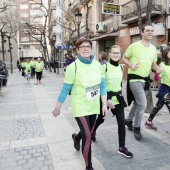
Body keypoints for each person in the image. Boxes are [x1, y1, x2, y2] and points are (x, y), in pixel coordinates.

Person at [52, 37, 107, 170]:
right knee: (88, 136)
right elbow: (65, 89)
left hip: (94, 106)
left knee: (87, 132)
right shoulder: (73, 67)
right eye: (82, 47)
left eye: (88, 46)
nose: (86, 49)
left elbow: (103, 85)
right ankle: (89, 167)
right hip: (80, 105)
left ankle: (76, 138)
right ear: (77, 50)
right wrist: (57, 108)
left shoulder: (97, 65)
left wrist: (104, 104)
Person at [122, 24, 164, 140]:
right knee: (143, 104)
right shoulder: (134, 46)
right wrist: (130, 64)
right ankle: (137, 128)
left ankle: (129, 120)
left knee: (137, 103)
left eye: (151, 31)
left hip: (145, 81)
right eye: (147, 30)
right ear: (142, 32)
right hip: (134, 78)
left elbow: (153, 64)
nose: (150, 32)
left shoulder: (153, 48)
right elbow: (124, 57)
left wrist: (158, 69)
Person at [92, 45, 133, 158]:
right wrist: (108, 100)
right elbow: (101, 85)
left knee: (121, 122)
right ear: (109, 54)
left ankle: (122, 147)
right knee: (100, 119)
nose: (115, 54)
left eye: (117, 53)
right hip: (106, 98)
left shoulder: (121, 67)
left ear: (120, 55)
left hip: (118, 98)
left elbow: (119, 85)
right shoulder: (104, 67)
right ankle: (92, 132)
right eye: (113, 53)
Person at [145, 47, 170, 130]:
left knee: (158, 106)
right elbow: (156, 79)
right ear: (166, 54)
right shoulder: (162, 65)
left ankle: (148, 121)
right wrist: (157, 73)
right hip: (165, 90)